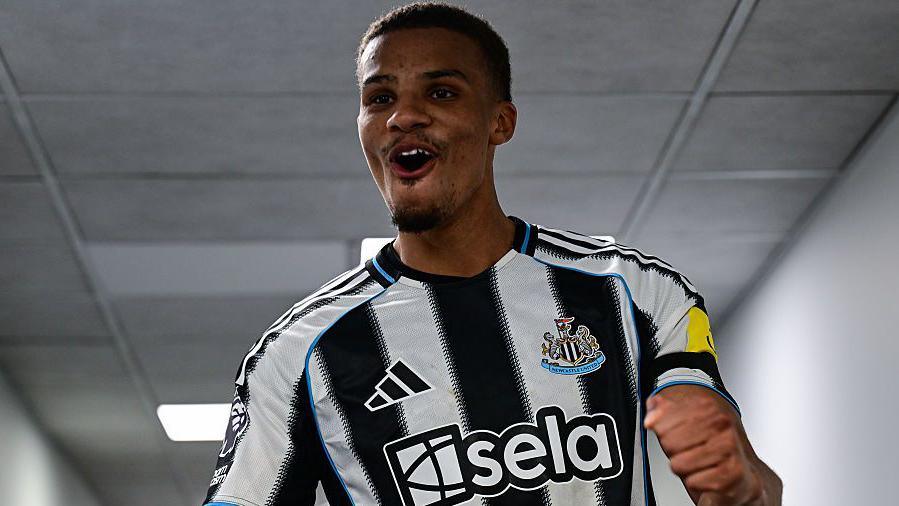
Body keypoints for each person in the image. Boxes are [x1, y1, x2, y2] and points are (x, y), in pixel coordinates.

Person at [201, 3, 782, 505]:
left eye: (441, 91)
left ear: (499, 121)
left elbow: (755, 488)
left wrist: (734, 483)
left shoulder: (635, 290)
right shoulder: (298, 353)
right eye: (380, 98)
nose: (403, 115)